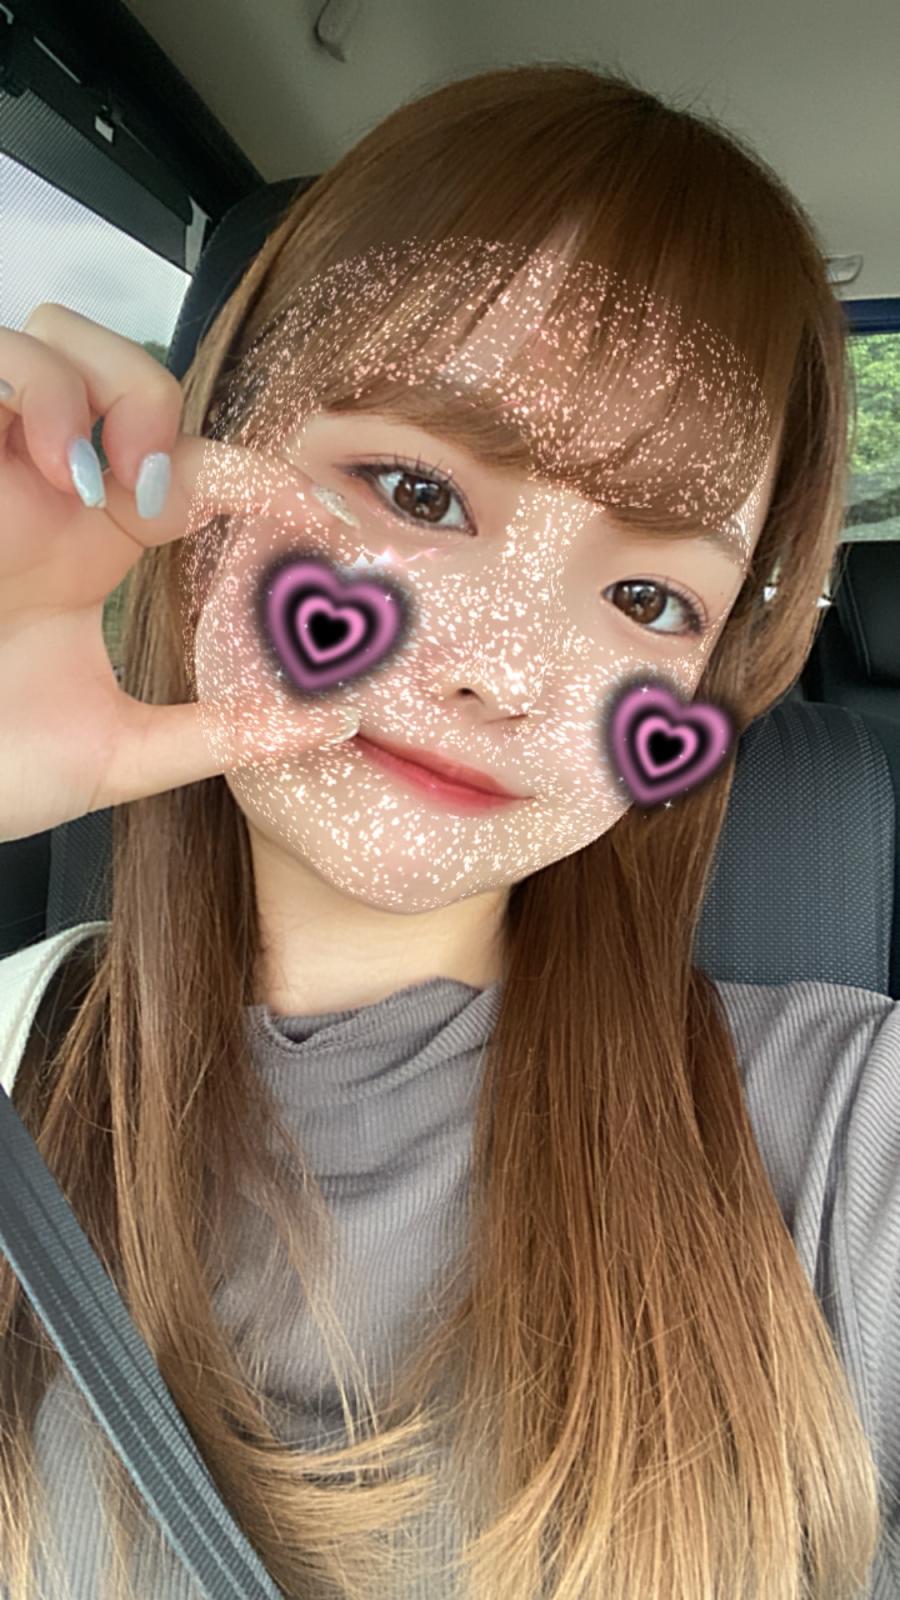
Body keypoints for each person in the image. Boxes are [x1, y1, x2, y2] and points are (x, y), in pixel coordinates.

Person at [0, 61, 897, 1600]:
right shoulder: (17, 1045)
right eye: (414, 489)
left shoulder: (839, 1129)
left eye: (647, 597)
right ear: (198, 464)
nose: (503, 670)